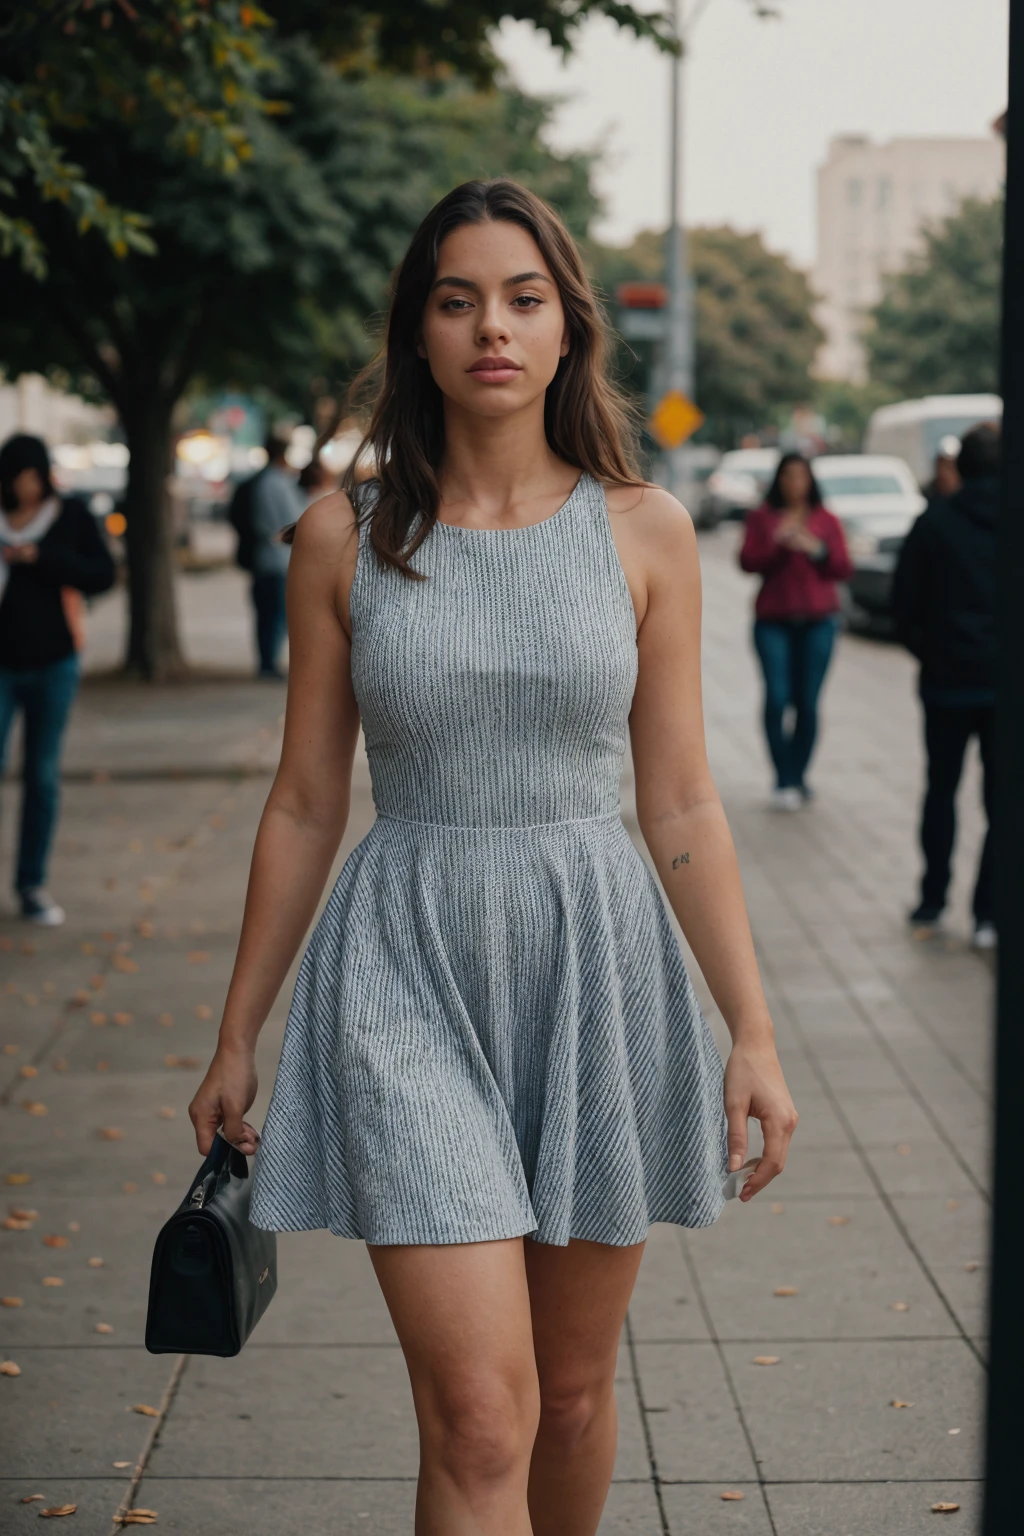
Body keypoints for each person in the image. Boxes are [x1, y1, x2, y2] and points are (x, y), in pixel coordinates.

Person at [188, 180, 798, 1536]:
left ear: (568, 328)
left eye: (523, 299)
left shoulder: (644, 531)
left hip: (598, 966)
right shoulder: (343, 535)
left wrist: (751, 1030)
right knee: (479, 1414)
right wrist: (239, 1029)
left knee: (570, 1400)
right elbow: (302, 801)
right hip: (402, 966)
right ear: (416, 332)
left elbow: (683, 800)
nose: (491, 329)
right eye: (457, 301)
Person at [0, 433, 115, 924]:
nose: (25, 487)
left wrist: (41, 558)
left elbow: (103, 573)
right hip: (3, 664)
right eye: (16, 478)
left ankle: (31, 884)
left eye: (31, 476)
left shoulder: (70, 515)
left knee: (41, 777)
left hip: (55, 663)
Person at [892, 422, 999, 948]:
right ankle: (988, 915)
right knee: (1002, 805)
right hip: (1004, 690)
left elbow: (903, 605)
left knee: (942, 792)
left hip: (947, 683)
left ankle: (933, 901)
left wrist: (932, 653)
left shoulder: (934, 523)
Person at [739, 453, 852, 809]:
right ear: (779, 480)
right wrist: (778, 543)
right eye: (788, 476)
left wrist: (814, 548)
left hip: (819, 622)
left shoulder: (826, 519)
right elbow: (746, 561)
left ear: (810, 481)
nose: (794, 483)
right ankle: (783, 778)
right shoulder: (763, 517)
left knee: (807, 702)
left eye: (801, 476)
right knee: (776, 698)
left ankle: (799, 776)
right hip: (773, 620)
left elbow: (843, 568)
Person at [249, 432, 304, 679]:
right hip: (280, 558)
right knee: (277, 615)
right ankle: (269, 664)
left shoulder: (262, 482)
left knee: (266, 615)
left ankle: (266, 662)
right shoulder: (279, 483)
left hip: (265, 556)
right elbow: (294, 519)